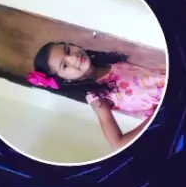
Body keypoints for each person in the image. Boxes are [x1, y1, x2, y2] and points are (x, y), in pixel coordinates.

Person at [27, 41, 166, 151]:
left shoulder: (109, 61)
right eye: (64, 65)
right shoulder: (97, 97)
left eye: (68, 50)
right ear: (64, 80)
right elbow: (118, 144)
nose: (73, 58)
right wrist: (155, 118)